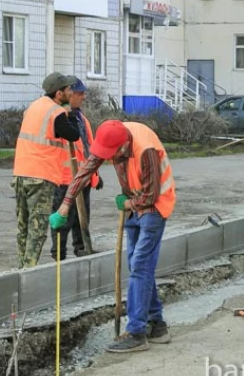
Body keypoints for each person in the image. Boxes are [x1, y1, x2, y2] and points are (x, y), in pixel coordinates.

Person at [51, 119, 175, 353]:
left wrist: (127, 202)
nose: (109, 159)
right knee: (137, 265)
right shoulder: (111, 137)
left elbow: (149, 196)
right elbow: (85, 171)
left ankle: (137, 332)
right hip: (133, 204)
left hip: (155, 206)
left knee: (140, 266)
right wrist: (65, 206)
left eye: (113, 155)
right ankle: (157, 324)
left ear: (124, 146)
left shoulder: (145, 149)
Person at [12, 72, 81, 269]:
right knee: (37, 227)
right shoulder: (56, 112)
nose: (71, 92)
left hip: (20, 172)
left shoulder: (33, 107)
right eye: (68, 89)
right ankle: (29, 270)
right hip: (40, 176)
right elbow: (73, 135)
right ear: (59, 93)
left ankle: (21, 266)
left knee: (23, 225)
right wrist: (72, 114)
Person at [49, 78, 104, 260]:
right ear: (69, 94)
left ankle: (82, 248)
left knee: (83, 217)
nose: (83, 97)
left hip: (83, 176)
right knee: (64, 217)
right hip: (65, 177)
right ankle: (59, 254)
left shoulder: (81, 118)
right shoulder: (59, 117)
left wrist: (94, 174)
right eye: (80, 93)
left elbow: (88, 147)